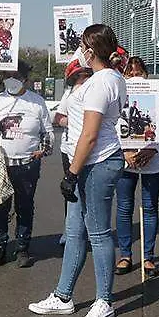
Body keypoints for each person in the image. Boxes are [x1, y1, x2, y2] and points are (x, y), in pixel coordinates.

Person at [28, 25, 126, 317]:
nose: (80, 52)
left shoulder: (102, 82)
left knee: (97, 233)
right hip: (89, 163)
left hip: (96, 163)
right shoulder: (109, 79)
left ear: (91, 50)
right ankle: (62, 295)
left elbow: (90, 135)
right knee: (73, 231)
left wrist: (71, 173)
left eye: (83, 46)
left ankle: (104, 300)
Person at [0, 60, 52, 269]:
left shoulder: (37, 102)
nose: (10, 80)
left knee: (24, 205)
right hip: (1, 163)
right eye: (7, 75)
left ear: (25, 79)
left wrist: (44, 150)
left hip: (27, 164)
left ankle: (22, 247)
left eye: (15, 75)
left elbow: (47, 132)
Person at [114, 56, 159, 277]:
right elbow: (111, 126)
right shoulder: (118, 97)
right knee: (124, 208)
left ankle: (149, 257)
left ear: (145, 75)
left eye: (139, 73)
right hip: (125, 161)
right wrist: (124, 151)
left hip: (152, 161)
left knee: (150, 208)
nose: (135, 77)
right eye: (130, 73)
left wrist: (152, 149)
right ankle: (125, 255)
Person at [53, 58, 94, 246]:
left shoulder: (96, 92)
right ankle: (70, 232)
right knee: (71, 192)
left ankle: (90, 232)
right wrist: (75, 121)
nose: (83, 80)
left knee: (91, 193)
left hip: (92, 150)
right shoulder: (69, 94)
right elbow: (59, 117)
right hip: (69, 150)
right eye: (79, 77)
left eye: (87, 76)